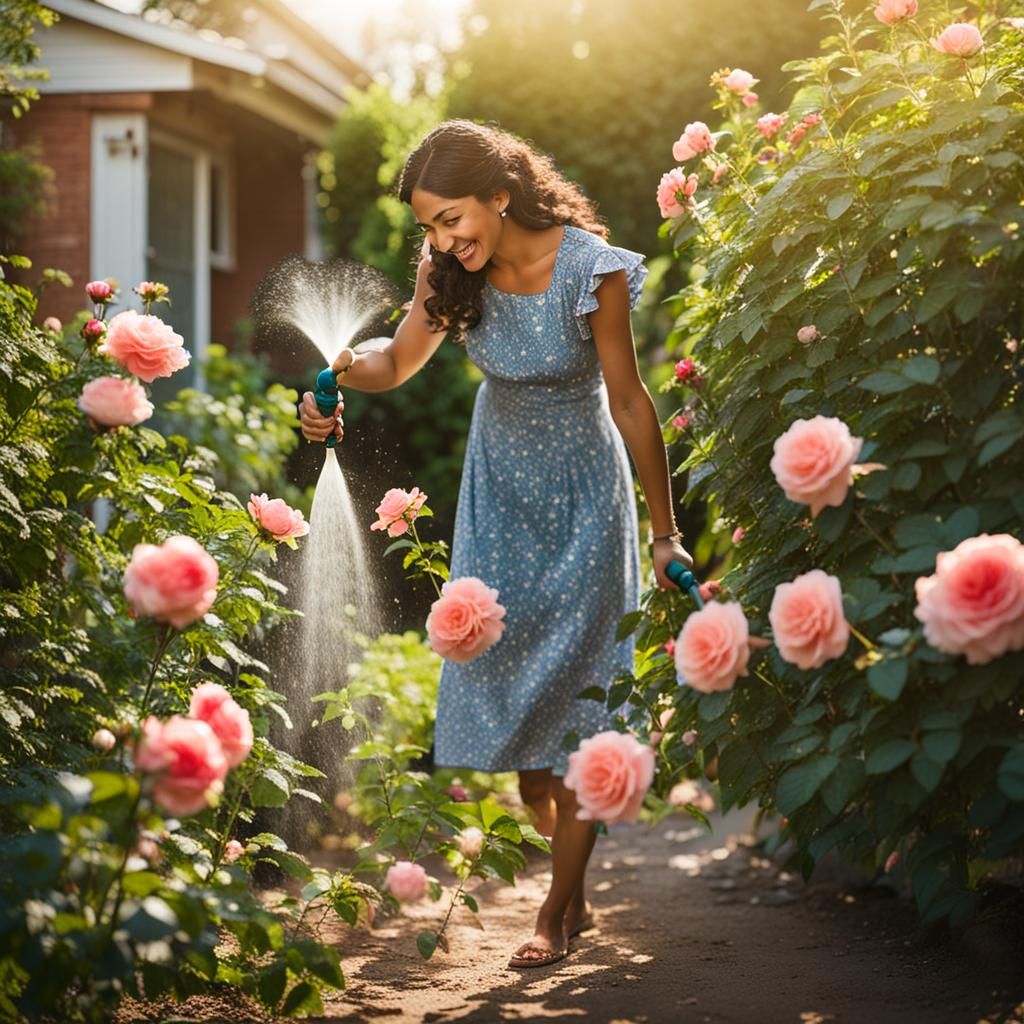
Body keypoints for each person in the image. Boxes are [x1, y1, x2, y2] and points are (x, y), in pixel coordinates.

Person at [299, 120, 693, 969]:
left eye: (452, 219)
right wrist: (338, 373)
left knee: (585, 709)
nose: (444, 240)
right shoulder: (448, 275)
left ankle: (554, 910)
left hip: (586, 494)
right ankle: (572, 879)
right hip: (500, 493)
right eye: (431, 227)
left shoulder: (593, 269)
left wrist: (665, 533)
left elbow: (630, 402)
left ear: (501, 194)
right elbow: (399, 360)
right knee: (529, 750)